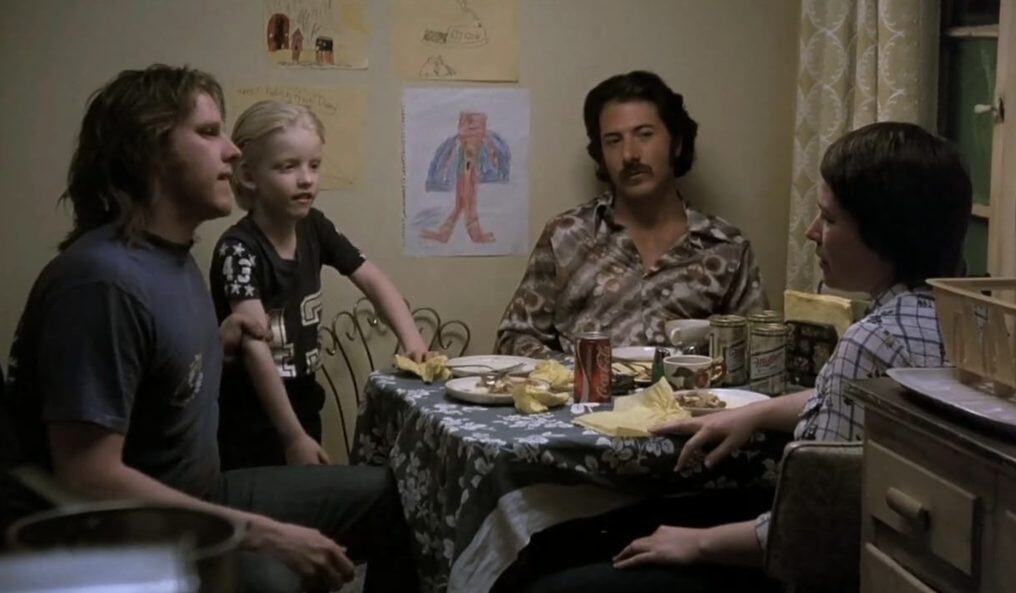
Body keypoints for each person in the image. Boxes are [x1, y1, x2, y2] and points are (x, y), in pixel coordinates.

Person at [1, 65, 418, 593]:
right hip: (125, 534)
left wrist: (218, 344)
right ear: (150, 149)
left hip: (202, 494)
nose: (232, 151)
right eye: (208, 132)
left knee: (396, 495)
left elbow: (157, 379)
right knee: (276, 578)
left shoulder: (170, 260)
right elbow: (87, 476)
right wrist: (262, 532)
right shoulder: (102, 282)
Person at [516, 122, 972, 592]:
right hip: (851, 547)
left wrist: (697, 544)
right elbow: (864, 400)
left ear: (884, 232)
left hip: (802, 565)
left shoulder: (872, 338)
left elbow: (811, 534)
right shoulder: (965, 322)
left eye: (830, 219)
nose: (813, 232)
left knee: (554, 574)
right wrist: (756, 413)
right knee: (562, 545)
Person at [210, 100, 432, 470]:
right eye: (288, 166)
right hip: (253, 416)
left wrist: (412, 342)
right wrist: (291, 436)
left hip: (304, 400)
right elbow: (253, 345)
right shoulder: (238, 250)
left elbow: (371, 278)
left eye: (314, 165)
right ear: (248, 175)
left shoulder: (314, 226)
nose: (306, 179)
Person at [494, 71, 768, 358]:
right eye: (613, 140)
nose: (629, 154)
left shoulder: (725, 247)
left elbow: (756, 350)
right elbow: (514, 338)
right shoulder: (567, 236)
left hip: (687, 387)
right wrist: (572, 372)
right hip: (584, 386)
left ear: (677, 143)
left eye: (644, 135)